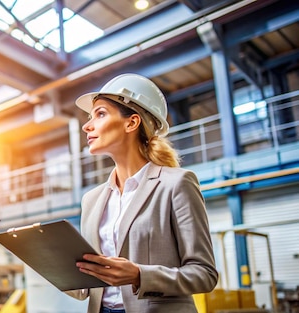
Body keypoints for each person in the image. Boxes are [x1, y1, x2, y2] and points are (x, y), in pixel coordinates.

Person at [67, 73, 218, 313]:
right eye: (90, 117)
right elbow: (86, 285)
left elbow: (204, 275)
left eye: (101, 114)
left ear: (131, 122)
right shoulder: (92, 199)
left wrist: (139, 275)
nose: (87, 125)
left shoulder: (176, 184)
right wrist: (42, 257)